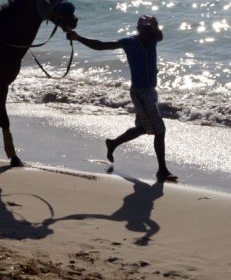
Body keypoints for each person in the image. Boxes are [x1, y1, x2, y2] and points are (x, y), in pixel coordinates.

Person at [66, 15, 178, 182]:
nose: (148, 31)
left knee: (142, 128)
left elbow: (160, 35)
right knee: (159, 131)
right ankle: (162, 170)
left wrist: (156, 25)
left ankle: (113, 144)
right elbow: (102, 46)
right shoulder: (130, 42)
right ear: (139, 29)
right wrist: (78, 38)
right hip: (140, 93)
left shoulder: (154, 38)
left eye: (150, 28)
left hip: (150, 91)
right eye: (145, 28)